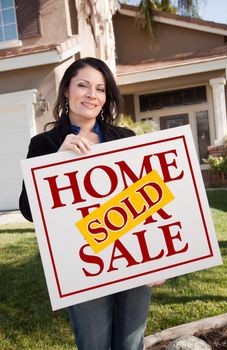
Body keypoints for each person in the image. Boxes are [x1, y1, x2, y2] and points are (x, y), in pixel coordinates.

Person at [19, 57, 164, 350]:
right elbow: (28, 210)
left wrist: (157, 259)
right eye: (83, 85)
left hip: (132, 257)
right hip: (83, 264)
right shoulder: (44, 144)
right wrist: (56, 163)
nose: (91, 94)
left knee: (131, 344)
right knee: (93, 344)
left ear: (106, 97)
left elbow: (149, 204)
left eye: (100, 88)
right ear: (67, 92)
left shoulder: (125, 138)